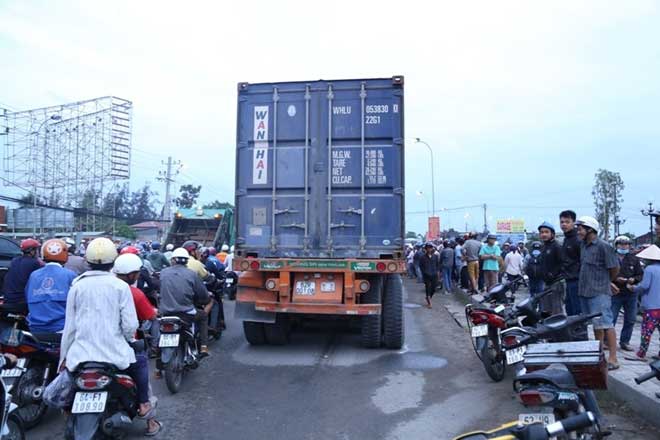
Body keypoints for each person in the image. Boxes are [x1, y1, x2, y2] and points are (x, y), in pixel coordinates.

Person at [59, 238, 142, 412]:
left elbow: (70, 327)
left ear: (87, 261)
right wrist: (129, 340)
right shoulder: (120, 286)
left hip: (80, 355)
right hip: (115, 354)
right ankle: (144, 407)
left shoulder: (77, 286)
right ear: (113, 261)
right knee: (140, 363)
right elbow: (130, 325)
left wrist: (64, 357)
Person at [112, 253, 162, 434]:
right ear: (132, 275)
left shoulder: (85, 287)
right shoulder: (133, 293)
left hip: (90, 347)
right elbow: (147, 316)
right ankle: (150, 419)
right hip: (124, 346)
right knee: (143, 375)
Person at [576, 216, 620, 370]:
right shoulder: (583, 245)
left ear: (590, 229)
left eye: (580, 228)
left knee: (607, 324)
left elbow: (614, 268)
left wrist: (607, 282)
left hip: (599, 292)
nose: (578, 231)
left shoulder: (603, 246)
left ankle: (613, 358)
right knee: (596, 326)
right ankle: (599, 354)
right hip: (585, 291)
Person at [160, 248, 211, 355]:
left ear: (173, 260)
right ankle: (203, 346)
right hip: (186, 314)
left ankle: (157, 367)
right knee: (203, 317)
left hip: (165, 313)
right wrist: (206, 300)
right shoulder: (192, 274)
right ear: (186, 261)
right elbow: (203, 295)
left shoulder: (163, 273)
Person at [25, 239, 76, 337]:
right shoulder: (70, 275)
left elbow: (27, 296)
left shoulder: (34, 275)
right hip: (61, 328)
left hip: (35, 328)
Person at [624, 245, 660, 362]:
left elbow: (644, 286)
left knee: (646, 331)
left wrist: (632, 288)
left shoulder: (649, 269)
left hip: (652, 306)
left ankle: (641, 354)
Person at [611, 236, 643, 351]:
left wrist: (633, 280)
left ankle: (625, 341)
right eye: (620, 244)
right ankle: (607, 341)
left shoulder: (634, 259)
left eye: (626, 244)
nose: (623, 246)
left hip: (630, 293)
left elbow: (640, 274)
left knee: (630, 318)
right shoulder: (611, 257)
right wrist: (615, 279)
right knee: (611, 318)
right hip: (615, 292)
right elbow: (605, 273)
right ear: (616, 245)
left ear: (629, 246)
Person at [2, 239, 43, 314]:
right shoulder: (35, 263)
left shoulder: (15, 260)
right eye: (37, 249)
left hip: (8, 300)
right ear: (32, 251)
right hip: (22, 302)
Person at [538, 221, 565, 316]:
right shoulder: (543, 247)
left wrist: (553, 274)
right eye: (541, 232)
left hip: (556, 283)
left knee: (556, 311)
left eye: (546, 232)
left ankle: (559, 331)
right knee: (546, 310)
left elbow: (562, 263)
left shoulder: (557, 246)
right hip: (547, 283)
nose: (544, 234)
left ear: (552, 234)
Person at [559, 210, 582, 316]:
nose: (564, 224)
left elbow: (583, 261)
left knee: (577, 315)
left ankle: (580, 333)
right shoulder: (566, 239)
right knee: (570, 312)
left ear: (574, 222)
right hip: (568, 280)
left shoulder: (578, 239)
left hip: (577, 281)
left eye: (567, 222)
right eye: (562, 222)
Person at [419, 243, 440, 308]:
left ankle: (429, 297)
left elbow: (437, 265)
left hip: (434, 274)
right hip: (426, 274)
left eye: (430, 248)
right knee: (427, 287)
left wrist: (438, 272)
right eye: (428, 248)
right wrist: (424, 272)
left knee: (434, 287)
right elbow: (421, 266)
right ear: (426, 249)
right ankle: (429, 302)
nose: (429, 249)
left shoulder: (435, 256)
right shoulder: (422, 257)